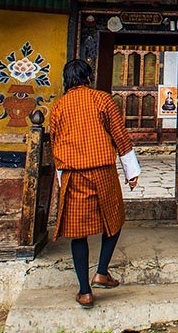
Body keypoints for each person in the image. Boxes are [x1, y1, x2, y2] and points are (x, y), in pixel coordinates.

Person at [47, 58, 141, 307]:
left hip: (72, 174)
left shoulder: (58, 107)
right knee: (114, 220)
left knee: (78, 233)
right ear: (88, 78)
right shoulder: (102, 100)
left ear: (67, 81)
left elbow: (55, 144)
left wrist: (60, 178)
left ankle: (85, 290)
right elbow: (120, 134)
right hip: (103, 170)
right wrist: (131, 171)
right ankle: (101, 270)